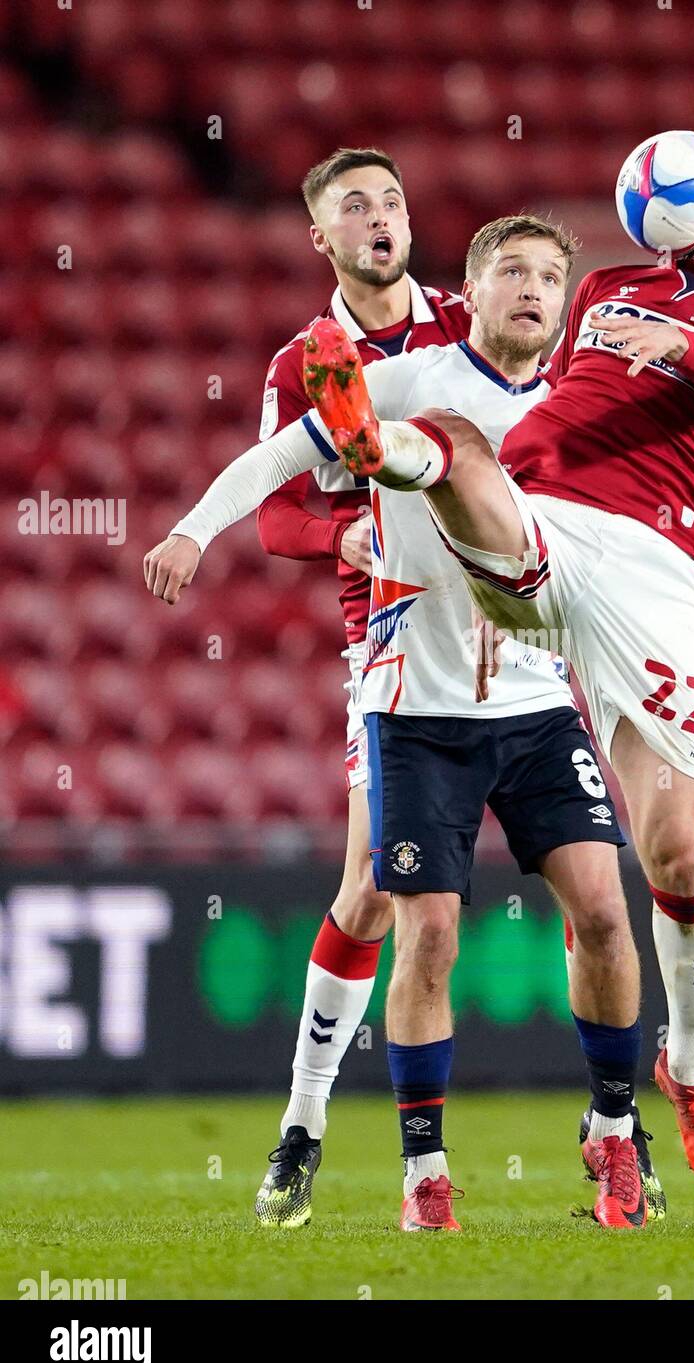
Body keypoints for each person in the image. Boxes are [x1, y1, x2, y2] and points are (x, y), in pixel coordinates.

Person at [302, 150, 694, 1193]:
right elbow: (524, 368)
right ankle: (373, 450)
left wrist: (679, 340)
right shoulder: (609, 285)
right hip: (545, 531)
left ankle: (686, 1066)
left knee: (676, 852)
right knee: (458, 444)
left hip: (649, 576)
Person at [144, 216, 667, 1231]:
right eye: (511, 270)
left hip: (534, 700)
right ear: (470, 291)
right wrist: (189, 529)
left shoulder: (578, 407)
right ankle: (421, 1168)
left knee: (605, 909)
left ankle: (611, 1126)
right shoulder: (408, 379)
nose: (533, 288)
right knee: (425, 930)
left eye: (550, 276)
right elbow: (274, 467)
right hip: (414, 709)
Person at [144, 145, 469, 1225]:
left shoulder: (474, 320)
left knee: (589, 878)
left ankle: (616, 1121)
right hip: (392, 635)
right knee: (375, 889)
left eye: (391, 197)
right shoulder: (310, 361)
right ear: (320, 240)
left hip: (516, 630)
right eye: (353, 208)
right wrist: (365, 525)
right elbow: (283, 511)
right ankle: (304, 1124)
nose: (379, 216)